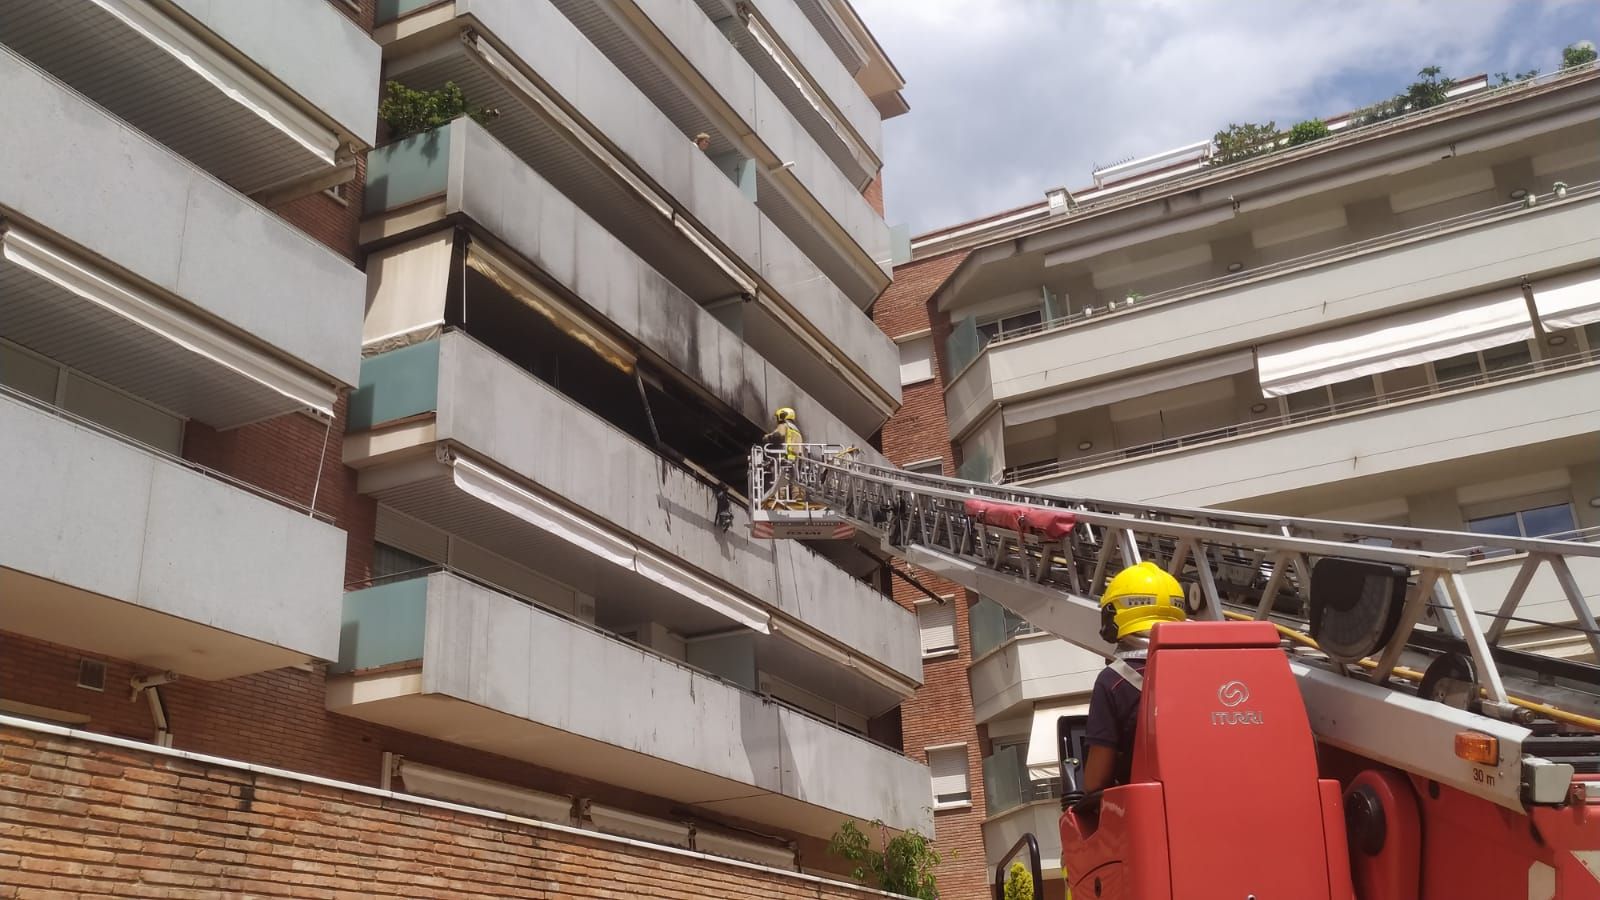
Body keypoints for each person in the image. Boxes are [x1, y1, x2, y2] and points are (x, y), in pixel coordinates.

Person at [1080, 561, 1187, 795]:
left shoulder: (1113, 681)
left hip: (1156, 813)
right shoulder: (1207, 669)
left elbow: (1096, 781)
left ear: (1112, 616)